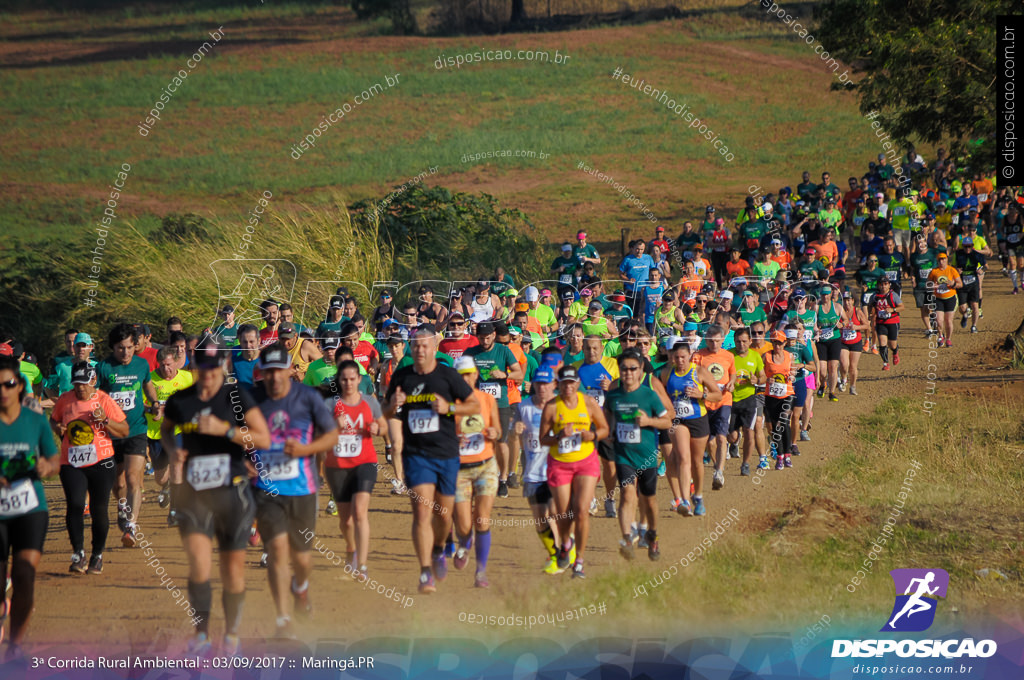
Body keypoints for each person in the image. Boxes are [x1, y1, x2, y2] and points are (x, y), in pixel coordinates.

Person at [161, 341, 272, 657]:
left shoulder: (236, 397)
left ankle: (232, 633)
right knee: (199, 565)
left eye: (214, 369)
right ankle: (201, 635)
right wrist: (173, 450)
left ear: (223, 365)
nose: (208, 376)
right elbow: (168, 430)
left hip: (232, 493)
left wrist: (226, 431)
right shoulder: (181, 400)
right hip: (194, 494)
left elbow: (261, 437)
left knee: (232, 571)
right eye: (203, 369)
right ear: (195, 366)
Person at [383, 325, 480, 594]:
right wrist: (395, 405)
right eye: (415, 346)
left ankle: (439, 548)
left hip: (446, 454)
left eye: (425, 345)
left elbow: (474, 405)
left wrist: (449, 407)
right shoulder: (402, 376)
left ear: (434, 348)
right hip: (417, 456)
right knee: (421, 512)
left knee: (443, 514)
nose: (420, 350)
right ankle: (425, 572)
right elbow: (386, 409)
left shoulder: (447, 375)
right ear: (410, 348)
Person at [249, 345, 337, 638]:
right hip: (265, 488)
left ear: (291, 369)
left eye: (280, 370)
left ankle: (300, 587)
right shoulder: (250, 401)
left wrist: (306, 449)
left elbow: (332, 435)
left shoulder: (308, 397)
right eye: (269, 372)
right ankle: (283, 618)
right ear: (262, 372)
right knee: (275, 551)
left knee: (302, 558)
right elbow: (237, 439)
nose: (274, 378)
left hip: (302, 489)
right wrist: (244, 464)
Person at [0, 357, 59, 661]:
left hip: (30, 507)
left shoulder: (34, 421)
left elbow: (53, 459)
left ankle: (16, 644)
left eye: (9, 384)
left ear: (20, 385)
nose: (3, 391)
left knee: (24, 574)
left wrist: (44, 467)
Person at [50, 362, 128, 575]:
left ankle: (97, 555)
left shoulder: (103, 400)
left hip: (101, 462)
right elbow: (53, 419)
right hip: (71, 462)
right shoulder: (65, 400)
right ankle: (78, 553)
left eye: (84, 383)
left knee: (98, 509)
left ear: (93, 381)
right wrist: (57, 427)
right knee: (75, 504)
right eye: (76, 383)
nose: (80, 388)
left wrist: (106, 420)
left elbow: (123, 429)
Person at [538, 366, 609, 579]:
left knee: (580, 510)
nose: (567, 387)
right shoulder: (552, 407)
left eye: (571, 383)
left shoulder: (588, 402)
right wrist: (559, 435)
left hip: (586, 462)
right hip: (560, 463)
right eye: (564, 383)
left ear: (577, 384)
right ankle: (566, 542)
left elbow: (604, 429)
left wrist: (591, 434)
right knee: (563, 513)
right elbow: (543, 439)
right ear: (558, 384)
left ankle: (579, 561)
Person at [605, 349, 671, 562]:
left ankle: (651, 534)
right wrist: (608, 433)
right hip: (624, 455)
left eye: (633, 368)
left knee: (649, 500)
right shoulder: (613, 395)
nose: (628, 373)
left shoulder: (649, 395)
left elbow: (667, 421)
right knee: (626, 493)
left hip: (647, 456)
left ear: (641, 369)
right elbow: (607, 419)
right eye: (624, 369)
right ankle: (626, 538)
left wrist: (649, 422)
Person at [97, 323, 159, 548]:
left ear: (136, 346)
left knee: (133, 478)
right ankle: (122, 505)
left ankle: (131, 526)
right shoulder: (104, 367)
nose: (125, 353)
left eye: (130, 348)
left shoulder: (142, 365)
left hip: (137, 429)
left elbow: (148, 385)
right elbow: (97, 396)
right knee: (118, 482)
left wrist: (154, 402)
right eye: (120, 348)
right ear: (113, 347)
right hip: (111, 433)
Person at [513, 367, 572, 574]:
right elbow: (515, 432)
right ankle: (559, 550)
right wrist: (517, 430)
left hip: (557, 466)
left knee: (554, 512)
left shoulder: (562, 404)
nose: (542, 388)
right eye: (538, 384)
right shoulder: (524, 406)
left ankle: (560, 552)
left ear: (554, 385)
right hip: (533, 470)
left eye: (546, 384)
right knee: (540, 520)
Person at [450, 356, 501, 588]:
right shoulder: (449, 404)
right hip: (458, 469)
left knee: (481, 520)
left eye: (469, 374)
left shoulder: (487, 399)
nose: (466, 379)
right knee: (463, 525)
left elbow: (498, 431)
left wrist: (493, 433)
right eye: (461, 375)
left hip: (485, 466)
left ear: (475, 375)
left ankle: (481, 572)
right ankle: (463, 543)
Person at [661, 340, 721, 517]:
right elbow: (662, 394)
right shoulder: (666, 373)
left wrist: (701, 394)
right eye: (676, 357)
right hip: (678, 420)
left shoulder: (699, 372)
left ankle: (699, 496)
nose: (680, 361)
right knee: (682, 457)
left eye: (683, 357)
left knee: (696, 461)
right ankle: (685, 501)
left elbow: (718, 394)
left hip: (698, 418)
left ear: (690, 356)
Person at [463, 322, 523, 498]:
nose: (485, 340)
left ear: (494, 335)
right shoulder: (470, 353)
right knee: (477, 440)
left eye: (488, 337)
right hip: (477, 404)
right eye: (481, 337)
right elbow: (459, 375)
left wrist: (505, 375)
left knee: (500, 440)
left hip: (500, 403)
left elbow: (519, 373)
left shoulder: (503, 351)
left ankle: (503, 479)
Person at [144, 346, 195, 522]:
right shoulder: (150, 379)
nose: (166, 369)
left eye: (169, 364)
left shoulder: (187, 378)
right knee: (160, 477)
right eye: (163, 365)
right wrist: (152, 409)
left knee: (177, 466)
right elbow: (141, 405)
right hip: (156, 432)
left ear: (176, 362)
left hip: (178, 431)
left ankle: (174, 509)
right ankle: (166, 486)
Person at [694, 326, 735, 491]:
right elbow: (693, 374)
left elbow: (732, 372)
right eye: (710, 340)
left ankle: (719, 472)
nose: (714, 343)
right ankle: (717, 465)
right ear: (706, 339)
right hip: (705, 402)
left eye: (717, 340)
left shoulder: (728, 356)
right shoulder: (698, 356)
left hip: (724, 400)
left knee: (721, 437)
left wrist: (732, 382)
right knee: (709, 441)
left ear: (723, 339)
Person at [728, 327, 766, 476]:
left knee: (749, 432)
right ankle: (734, 443)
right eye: (738, 341)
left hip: (749, 398)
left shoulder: (755, 356)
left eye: (744, 341)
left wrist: (756, 380)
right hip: (730, 399)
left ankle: (745, 464)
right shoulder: (728, 355)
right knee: (732, 436)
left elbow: (763, 376)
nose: (741, 344)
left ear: (750, 341)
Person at [764, 330, 799, 470]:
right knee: (775, 426)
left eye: (779, 343)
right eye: (774, 343)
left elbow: (793, 369)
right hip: (771, 395)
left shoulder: (789, 355)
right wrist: (766, 379)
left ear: (784, 343)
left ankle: (788, 454)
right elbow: (759, 373)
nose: (777, 346)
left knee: (784, 421)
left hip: (787, 394)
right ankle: (779, 456)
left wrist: (792, 375)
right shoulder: (765, 357)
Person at [813, 286, 848, 401]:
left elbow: (846, 319)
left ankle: (832, 392)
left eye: (827, 294)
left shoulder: (837, 307)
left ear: (831, 295)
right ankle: (823, 385)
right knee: (822, 370)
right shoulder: (817, 308)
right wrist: (816, 329)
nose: (825, 297)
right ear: (820, 295)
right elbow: (812, 323)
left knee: (833, 367)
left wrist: (842, 325)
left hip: (835, 340)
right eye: (823, 295)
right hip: (822, 341)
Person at [927, 253, 962, 348]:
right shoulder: (934, 271)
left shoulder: (952, 270)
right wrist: (932, 286)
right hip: (938, 299)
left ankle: (948, 339)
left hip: (951, 298)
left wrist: (953, 284)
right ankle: (940, 335)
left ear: (947, 260)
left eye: (943, 259)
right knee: (939, 321)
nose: (941, 261)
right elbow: (928, 283)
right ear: (937, 261)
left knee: (948, 321)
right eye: (939, 260)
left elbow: (960, 284)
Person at [869, 277, 904, 370]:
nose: (883, 286)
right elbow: (870, 306)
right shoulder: (874, 296)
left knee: (892, 344)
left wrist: (892, 310)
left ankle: (895, 351)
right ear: (878, 285)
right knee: (882, 343)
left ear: (889, 285)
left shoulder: (893, 295)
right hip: (881, 322)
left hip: (893, 322)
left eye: (885, 284)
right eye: (881, 284)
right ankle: (885, 363)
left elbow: (902, 307)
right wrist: (871, 313)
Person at [839, 291, 869, 395]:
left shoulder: (858, 312)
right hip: (843, 342)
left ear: (852, 301)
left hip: (856, 342)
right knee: (844, 364)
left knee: (853, 366)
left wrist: (856, 327)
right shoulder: (841, 312)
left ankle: (853, 386)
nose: (847, 303)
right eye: (845, 300)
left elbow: (867, 325)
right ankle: (843, 379)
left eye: (848, 300)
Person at [955, 236, 986, 334]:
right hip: (962, 284)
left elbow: (984, 265)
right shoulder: (958, 254)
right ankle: (965, 315)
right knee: (962, 308)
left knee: (975, 306)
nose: (967, 249)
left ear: (972, 246)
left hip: (973, 283)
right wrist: (956, 270)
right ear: (962, 246)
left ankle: (974, 326)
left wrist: (980, 269)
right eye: (965, 247)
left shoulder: (977, 255)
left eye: (969, 246)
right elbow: (952, 266)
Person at [619, 240, 654, 317]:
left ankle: (643, 328)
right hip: (632, 290)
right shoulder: (628, 259)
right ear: (633, 248)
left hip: (645, 290)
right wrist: (628, 280)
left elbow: (653, 272)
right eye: (637, 249)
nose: (639, 251)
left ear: (644, 249)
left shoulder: (648, 258)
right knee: (633, 313)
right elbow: (620, 274)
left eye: (641, 249)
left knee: (643, 313)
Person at [229, 325, 260, 389]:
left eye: (251, 342)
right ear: (240, 341)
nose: (248, 346)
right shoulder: (233, 362)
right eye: (245, 342)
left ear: (259, 341)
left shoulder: (266, 360)